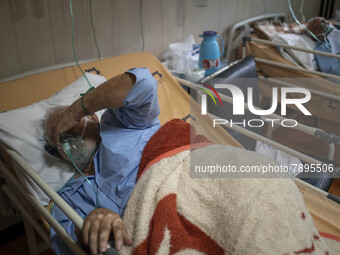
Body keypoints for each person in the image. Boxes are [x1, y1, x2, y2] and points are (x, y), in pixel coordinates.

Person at [46, 68, 160, 255]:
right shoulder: (69, 197)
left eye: (66, 128)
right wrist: (90, 225)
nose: (66, 139)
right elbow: (63, 241)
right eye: (57, 138)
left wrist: (73, 111)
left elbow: (144, 84)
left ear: (91, 118)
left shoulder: (124, 124)